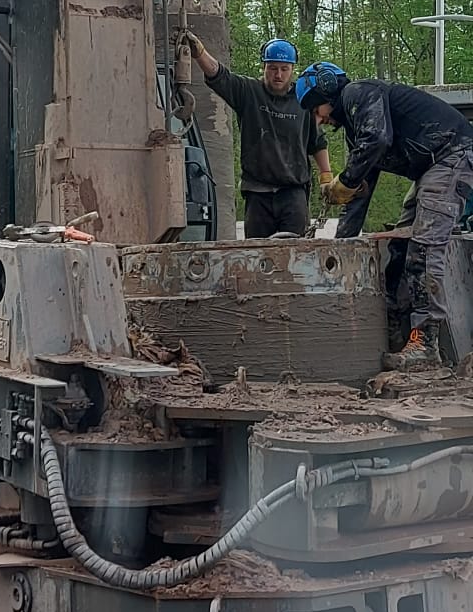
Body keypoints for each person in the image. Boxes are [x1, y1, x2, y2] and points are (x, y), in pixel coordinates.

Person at [295, 61, 473, 367]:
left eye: (315, 110)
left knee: (425, 249)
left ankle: (426, 345)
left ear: (324, 91)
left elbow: (376, 141)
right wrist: (342, 247)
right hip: (432, 167)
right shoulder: (358, 129)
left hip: (452, 155)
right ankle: (397, 329)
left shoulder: (358, 93)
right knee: (400, 246)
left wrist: (346, 180)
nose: (319, 121)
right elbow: (360, 194)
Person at [185, 34, 333, 238]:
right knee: (257, 254)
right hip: (257, 194)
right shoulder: (248, 92)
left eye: (284, 69)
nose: (278, 75)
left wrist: (326, 177)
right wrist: (200, 53)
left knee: (297, 254)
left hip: (293, 193)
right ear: (264, 67)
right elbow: (219, 75)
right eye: (272, 68)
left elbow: (317, 142)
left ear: (292, 70)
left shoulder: (303, 101)